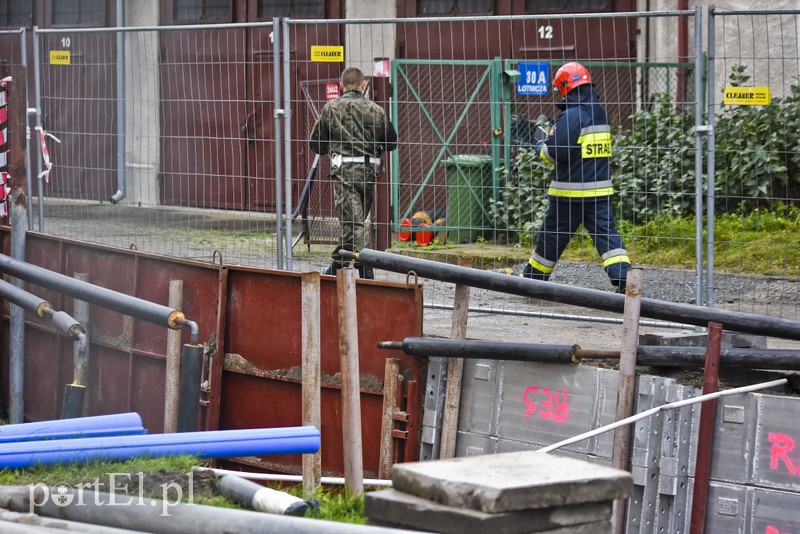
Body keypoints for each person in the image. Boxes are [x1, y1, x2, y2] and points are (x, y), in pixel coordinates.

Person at [521, 61, 630, 292]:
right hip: (600, 192)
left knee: (552, 236)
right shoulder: (600, 114)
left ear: (564, 87)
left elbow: (556, 152)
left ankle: (532, 280)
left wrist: (540, 146)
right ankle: (624, 280)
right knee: (607, 237)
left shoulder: (571, 115)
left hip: (569, 193)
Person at [309, 67, 397, 279]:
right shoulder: (376, 110)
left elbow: (317, 144)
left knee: (353, 225)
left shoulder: (331, 109)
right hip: (368, 173)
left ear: (341, 86)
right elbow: (391, 142)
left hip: (344, 173)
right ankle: (336, 268)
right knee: (354, 224)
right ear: (362, 85)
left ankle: (365, 268)